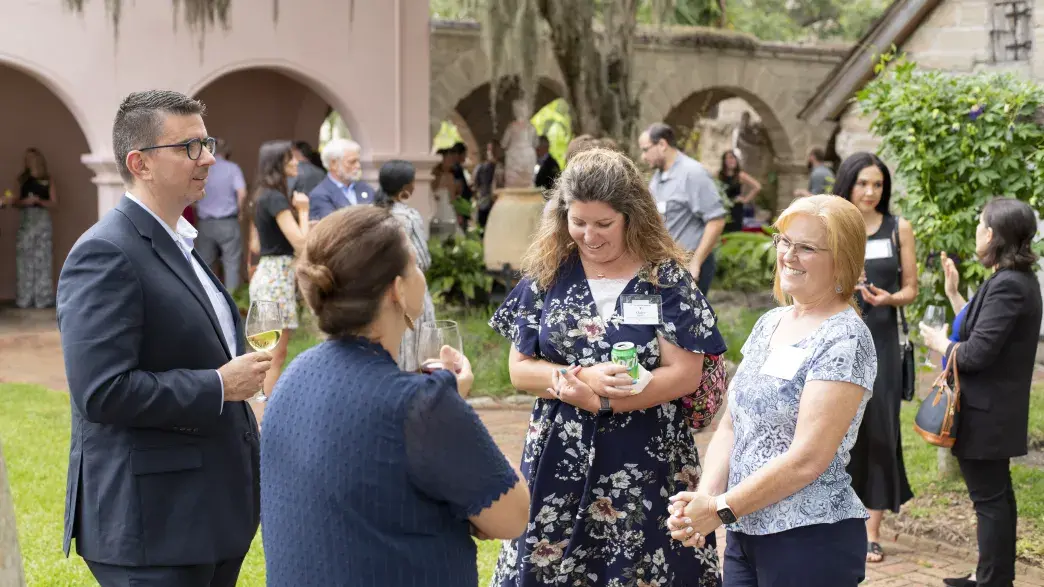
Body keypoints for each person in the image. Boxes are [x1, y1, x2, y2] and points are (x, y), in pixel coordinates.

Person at [56, 90, 272, 587]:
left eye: (208, 143)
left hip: (208, 513)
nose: (210, 158)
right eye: (190, 147)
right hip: (152, 525)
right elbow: (101, 392)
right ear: (141, 163)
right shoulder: (106, 253)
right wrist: (218, 384)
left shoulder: (179, 242)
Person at [488, 147, 729, 586]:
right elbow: (520, 369)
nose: (589, 235)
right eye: (577, 222)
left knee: (640, 564)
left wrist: (603, 403)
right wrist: (575, 381)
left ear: (632, 217)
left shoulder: (665, 279)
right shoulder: (548, 273)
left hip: (646, 455)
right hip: (560, 452)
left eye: (603, 224)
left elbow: (685, 373)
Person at [260, 205, 530, 586]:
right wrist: (453, 408)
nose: (422, 274)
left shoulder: (292, 378)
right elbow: (514, 515)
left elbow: (368, 488)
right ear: (398, 290)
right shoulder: (421, 406)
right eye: (415, 265)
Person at [668, 195, 877, 587]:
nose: (788, 255)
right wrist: (707, 499)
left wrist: (721, 508)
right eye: (783, 241)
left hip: (808, 540)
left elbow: (807, 459)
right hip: (746, 531)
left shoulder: (846, 338)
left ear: (843, 259)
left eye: (806, 247)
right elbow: (731, 425)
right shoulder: (771, 322)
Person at [921, 197, 1043, 587]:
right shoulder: (1009, 279)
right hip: (992, 410)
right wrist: (955, 295)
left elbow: (976, 353)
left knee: (990, 502)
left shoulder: (1009, 284)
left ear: (992, 234)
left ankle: (992, 581)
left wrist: (940, 344)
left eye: (979, 226)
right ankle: (991, 574)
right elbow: (983, 329)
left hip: (987, 413)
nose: (976, 233)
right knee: (996, 498)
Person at [828, 152, 918, 563]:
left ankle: (871, 530)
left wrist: (889, 298)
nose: (870, 192)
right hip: (837, 338)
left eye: (878, 184)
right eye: (863, 183)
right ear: (847, 183)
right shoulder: (832, 224)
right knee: (837, 429)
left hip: (881, 340)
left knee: (880, 430)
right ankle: (833, 518)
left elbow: (911, 290)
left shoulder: (900, 228)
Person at [249, 140, 311, 404]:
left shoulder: (261, 195)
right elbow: (301, 243)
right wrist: (304, 212)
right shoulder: (276, 198)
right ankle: (264, 414)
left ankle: (260, 410)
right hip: (277, 278)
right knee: (275, 354)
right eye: (290, 160)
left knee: (267, 353)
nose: (296, 162)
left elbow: (255, 244)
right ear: (278, 165)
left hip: (267, 273)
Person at [639, 122, 726, 294]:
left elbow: (716, 221)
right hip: (666, 267)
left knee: (689, 320)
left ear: (662, 145)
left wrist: (696, 263)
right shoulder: (658, 177)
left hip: (691, 266)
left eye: (645, 149)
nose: (643, 156)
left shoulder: (693, 173)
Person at [374, 160, 438, 372]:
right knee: (417, 352)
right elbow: (423, 260)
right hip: (410, 289)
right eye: (412, 182)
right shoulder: (408, 217)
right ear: (404, 187)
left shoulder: (372, 214)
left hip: (379, 291)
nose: (414, 186)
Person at [196, 138, 247, 291]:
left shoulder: (202, 169)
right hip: (228, 222)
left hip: (205, 223)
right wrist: (240, 212)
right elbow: (242, 193)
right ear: (227, 153)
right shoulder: (233, 168)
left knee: (205, 266)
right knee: (232, 265)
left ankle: (208, 306)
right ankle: (233, 306)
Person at [14, 148, 57, 309]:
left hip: (42, 220)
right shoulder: (22, 179)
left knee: (42, 258)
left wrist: (39, 201)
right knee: (24, 259)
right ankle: (24, 297)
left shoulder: (48, 179)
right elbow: (16, 201)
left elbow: (54, 203)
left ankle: (43, 297)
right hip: (26, 220)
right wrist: (24, 202)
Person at [307, 138, 374, 221]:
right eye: (352, 162)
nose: (358, 166)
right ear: (333, 164)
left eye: (358, 161)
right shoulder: (320, 195)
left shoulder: (366, 188)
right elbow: (333, 226)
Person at [718, 149, 761, 233]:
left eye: (733, 158)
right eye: (728, 158)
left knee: (735, 232)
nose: (731, 160)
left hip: (736, 208)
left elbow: (757, 186)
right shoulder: (719, 175)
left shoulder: (740, 175)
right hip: (723, 208)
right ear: (724, 161)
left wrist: (745, 200)